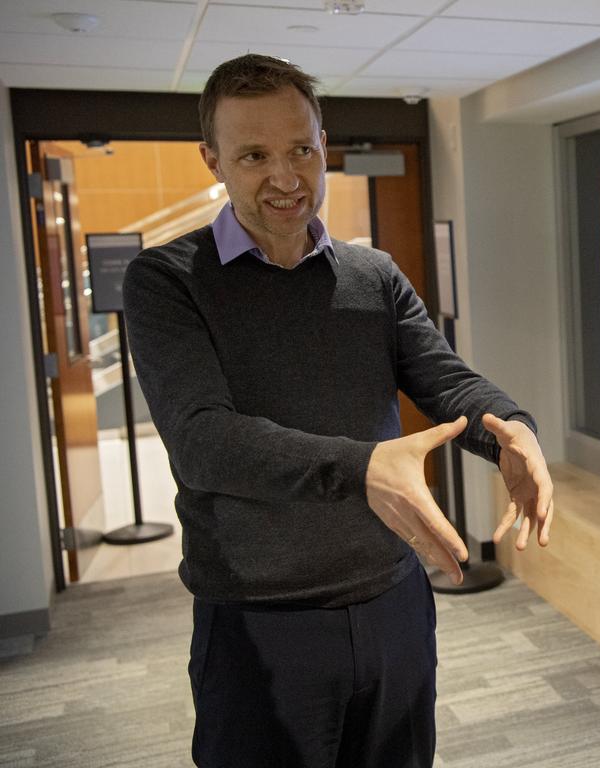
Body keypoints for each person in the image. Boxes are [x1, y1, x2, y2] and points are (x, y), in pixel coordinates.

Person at [121, 54, 554, 768]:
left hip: (393, 606)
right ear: (214, 160)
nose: (287, 177)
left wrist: (514, 432)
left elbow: (445, 380)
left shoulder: (371, 275)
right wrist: (363, 467)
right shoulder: (168, 281)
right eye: (254, 155)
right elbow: (204, 441)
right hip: (261, 626)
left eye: (301, 149)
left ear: (326, 143)